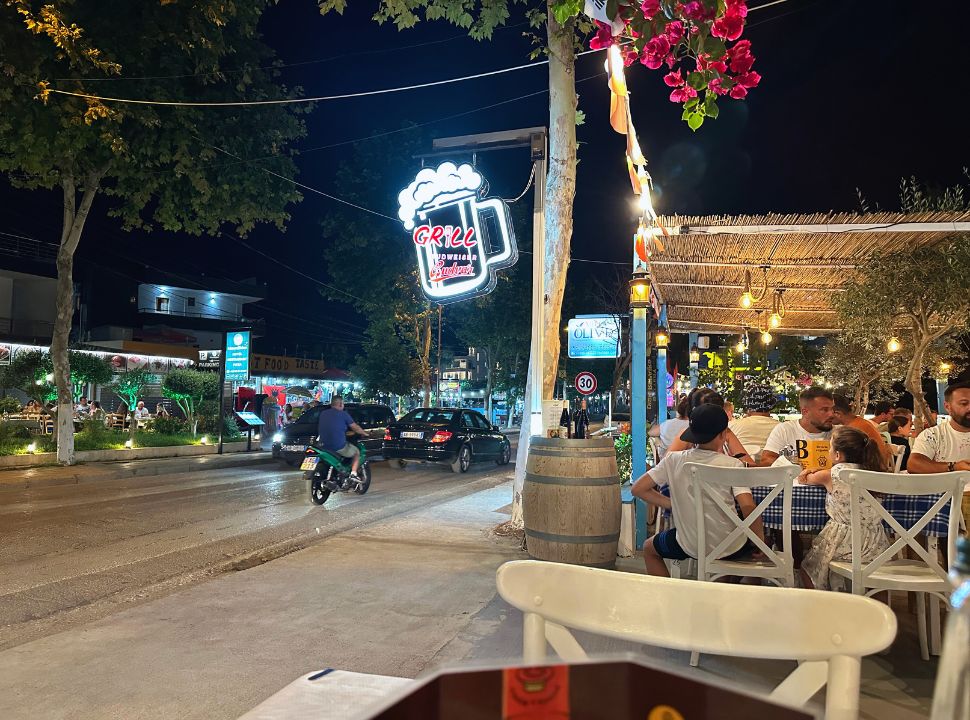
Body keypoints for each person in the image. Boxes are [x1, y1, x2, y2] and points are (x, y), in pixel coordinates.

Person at [633, 404, 764, 577]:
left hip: (688, 544)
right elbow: (748, 507)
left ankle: (666, 597)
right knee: (747, 548)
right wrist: (760, 542)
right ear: (723, 435)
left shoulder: (673, 460)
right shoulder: (732, 464)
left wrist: (673, 504)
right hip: (730, 547)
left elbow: (638, 489)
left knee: (650, 549)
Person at [799, 426, 890, 590]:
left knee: (808, 567)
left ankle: (821, 604)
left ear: (837, 455)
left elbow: (804, 479)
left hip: (840, 541)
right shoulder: (876, 473)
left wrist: (813, 470)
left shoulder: (831, 474)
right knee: (874, 579)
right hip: (876, 545)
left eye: (830, 447)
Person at [908, 380, 970, 534]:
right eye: (964, 403)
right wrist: (953, 467)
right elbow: (914, 464)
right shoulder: (933, 435)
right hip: (948, 501)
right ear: (947, 407)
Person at [665, 389, 755, 465]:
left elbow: (749, 465)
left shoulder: (725, 431)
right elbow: (666, 466)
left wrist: (734, 462)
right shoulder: (687, 435)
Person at [759, 387, 835, 470]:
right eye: (824, 410)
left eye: (832, 409)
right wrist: (795, 467)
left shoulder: (839, 433)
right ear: (805, 412)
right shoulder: (785, 430)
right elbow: (766, 460)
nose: (831, 414)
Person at [831, 394, 892, 470]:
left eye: (827, 410)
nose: (827, 415)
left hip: (870, 472)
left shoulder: (854, 430)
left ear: (838, 414)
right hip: (874, 469)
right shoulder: (859, 423)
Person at [316, 395, 367, 479]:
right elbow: (355, 428)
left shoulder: (323, 413)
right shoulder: (343, 414)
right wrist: (364, 433)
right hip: (337, 447)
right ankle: (353, 474)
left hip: (322, 446)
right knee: (356, 452)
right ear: (340, 404)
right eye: (343, 404)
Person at [729, 381, 780, 456]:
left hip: (739, 466)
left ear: (747, 403)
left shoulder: (731, 427)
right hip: (774, 467)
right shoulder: (783, 428)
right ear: (772, 404)